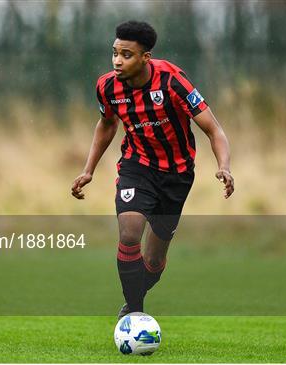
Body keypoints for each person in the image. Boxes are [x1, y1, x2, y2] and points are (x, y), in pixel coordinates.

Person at [71, 20, 234, 319]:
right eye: (115, 53)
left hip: (177, 175)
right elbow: (107, 124)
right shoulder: (107, 86)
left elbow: (214, 129)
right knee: (130, 233)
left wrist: (224, 166)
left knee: (154, 261)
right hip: (137, 167)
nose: (118, 61)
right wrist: (88, 169)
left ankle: (135, 300)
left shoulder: (173, 81)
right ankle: (134, 314)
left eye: (127, 54)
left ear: (146, 57)